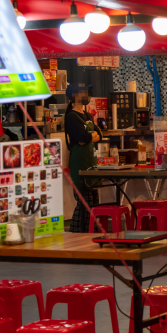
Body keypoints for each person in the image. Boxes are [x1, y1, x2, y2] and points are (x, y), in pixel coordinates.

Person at [65, 90, 102, 233]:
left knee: (94, 201)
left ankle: (90, 232)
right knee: (84, 202)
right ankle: (76, 233)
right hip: (79, 163)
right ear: (75, 96)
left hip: (91, 163)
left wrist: (89, 137)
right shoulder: (71, 117)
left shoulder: (87, 115)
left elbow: (99, 134)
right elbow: (82, 138)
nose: (87, 96)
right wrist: (88, 138)